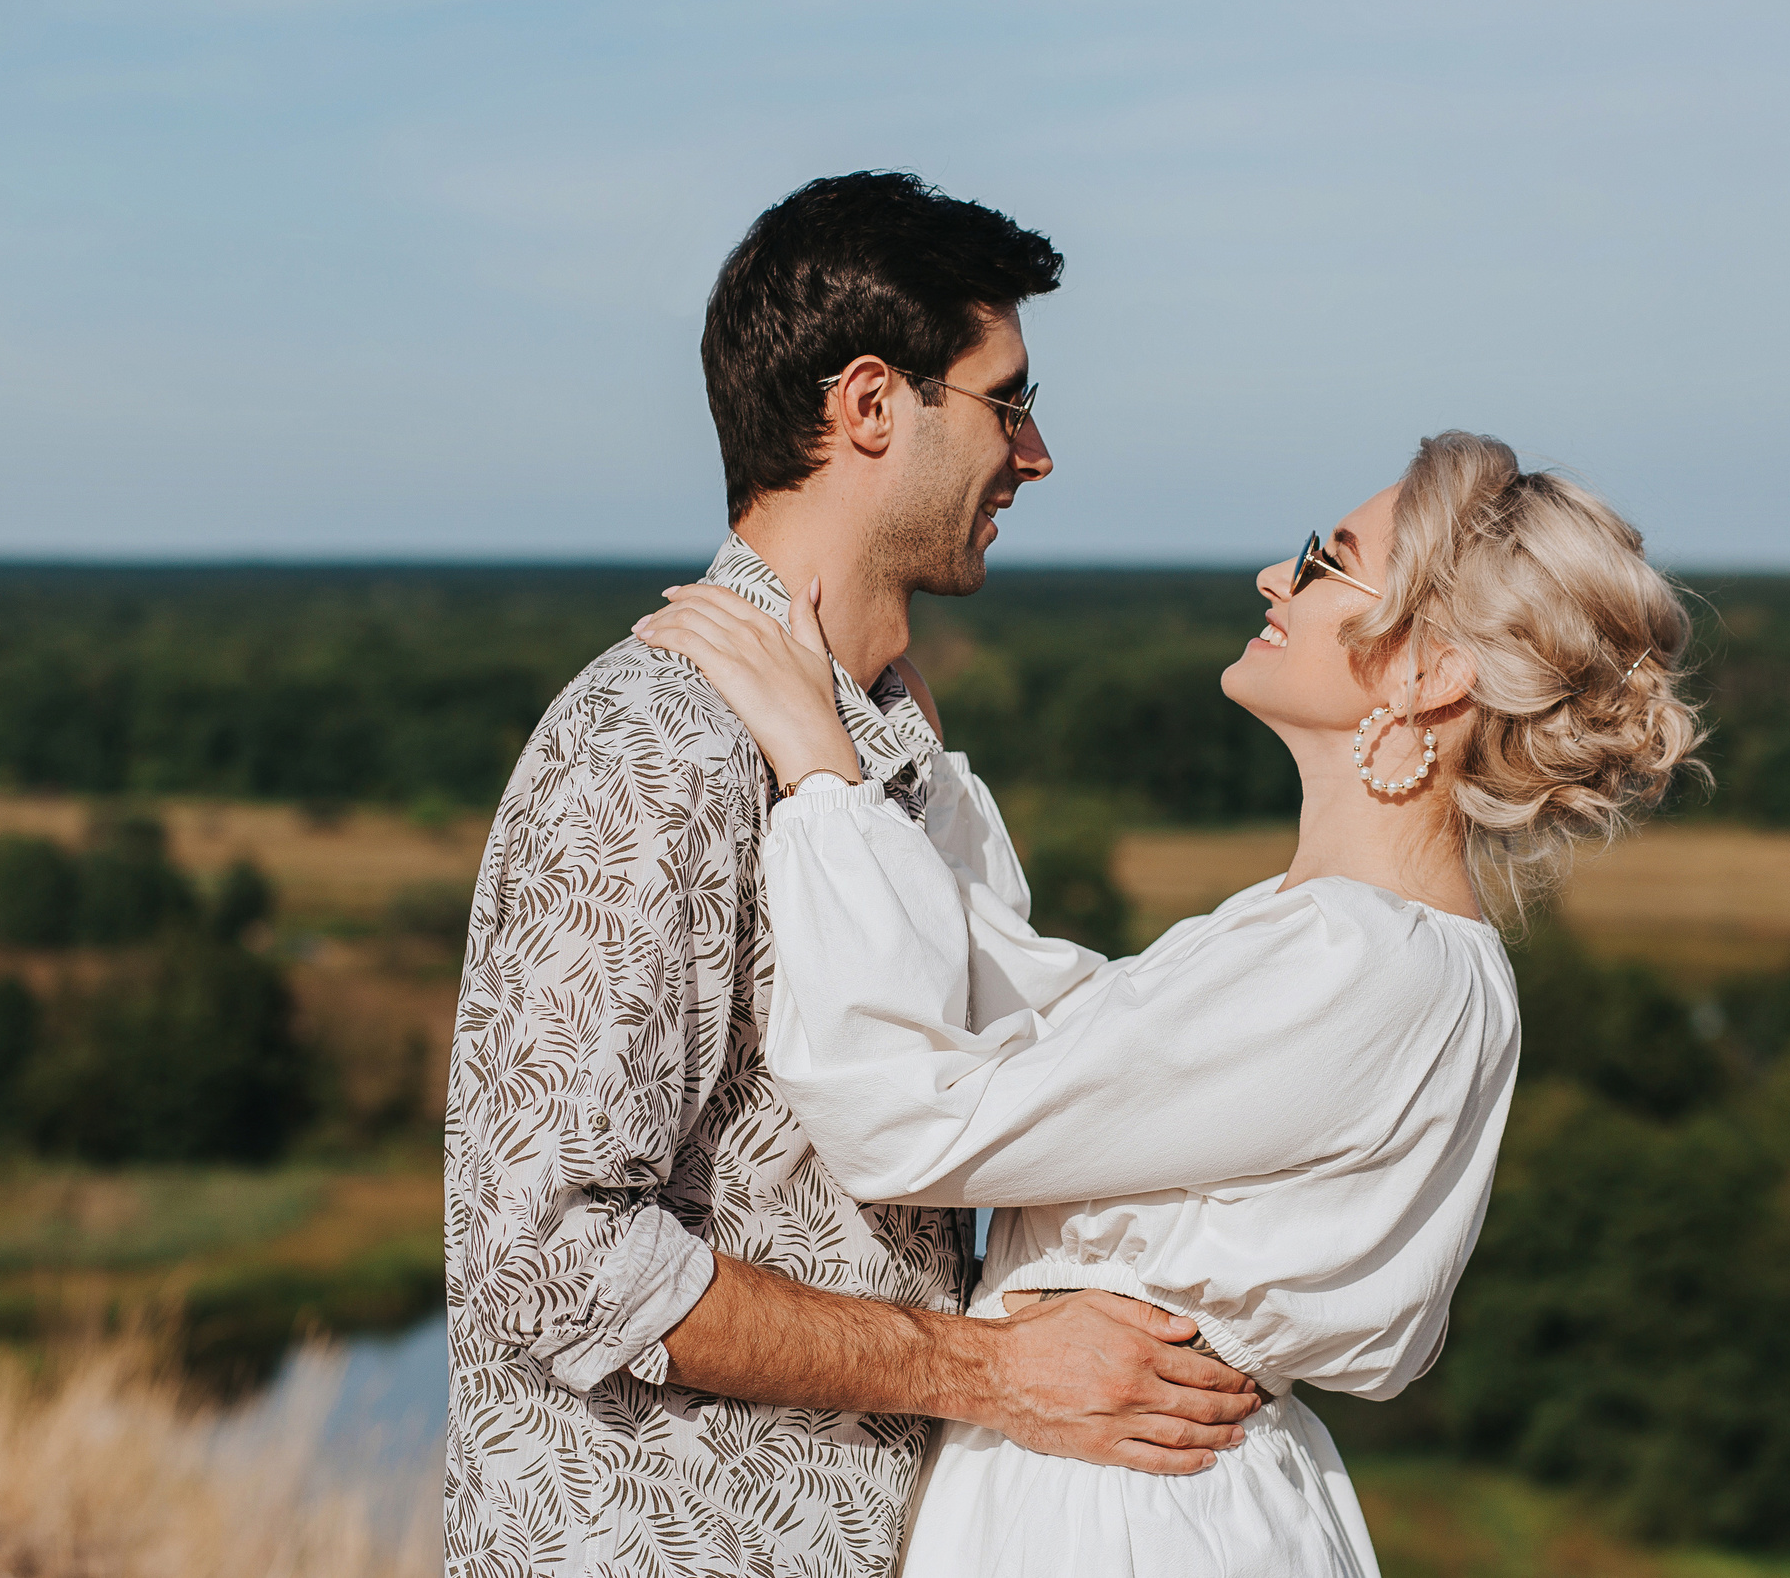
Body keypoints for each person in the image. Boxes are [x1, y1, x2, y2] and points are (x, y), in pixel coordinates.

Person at [634, 429, 1707, 1576]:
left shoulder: (1362, 964)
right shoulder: (1346, 940)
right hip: (1132, 1486)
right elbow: (1054, 1033)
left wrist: (819, 780)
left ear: (1426, 671)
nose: (1273, 578)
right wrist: (920, 793)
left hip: (1127, 1510)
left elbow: (915, 1120)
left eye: (1322, 559)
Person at [444, 173, 1262, 1578]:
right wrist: (993, 1370)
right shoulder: (656, 736)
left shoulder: (895, 749)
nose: (1038, 451)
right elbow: (550, 1258)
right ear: (874, 405)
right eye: (1007, 400)